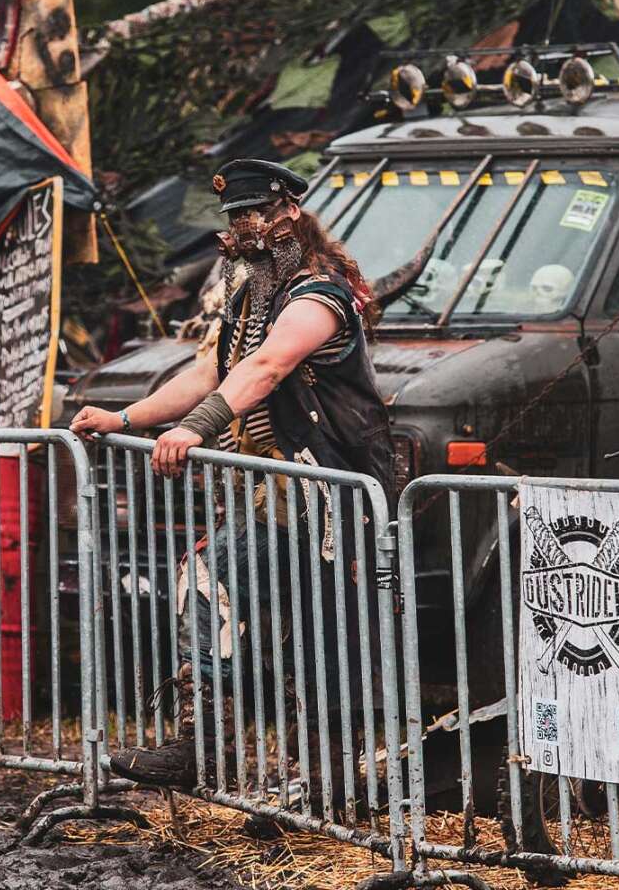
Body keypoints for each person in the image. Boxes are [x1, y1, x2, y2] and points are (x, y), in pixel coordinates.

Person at [71, 159, 394, 803]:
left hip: (329, 496)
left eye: (249, 216)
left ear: (287, 216)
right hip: (274, 499)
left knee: (318, 636)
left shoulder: (319, 295)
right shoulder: (252, 296)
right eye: (233, 219)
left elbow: (269, 367)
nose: (238, 231)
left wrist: (194, 430)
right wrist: (125, 416)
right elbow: (210, 372)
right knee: (219, 586)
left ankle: (321, 788)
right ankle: (208, 748)